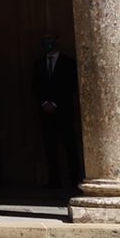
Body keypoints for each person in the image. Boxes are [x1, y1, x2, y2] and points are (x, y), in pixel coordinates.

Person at [32, 34, 82, 193]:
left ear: (57, 43)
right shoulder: (39, 63)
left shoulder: (68, 62)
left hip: (64, 110)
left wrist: (55, 103)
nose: (48, 45)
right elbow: (35, 86)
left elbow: (71, 85)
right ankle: (54, 180)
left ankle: (75, 179)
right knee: (49, 147)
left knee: (69, 146)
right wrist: (44, 103)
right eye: (45, 42)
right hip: (45, 111)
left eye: (51, 42)